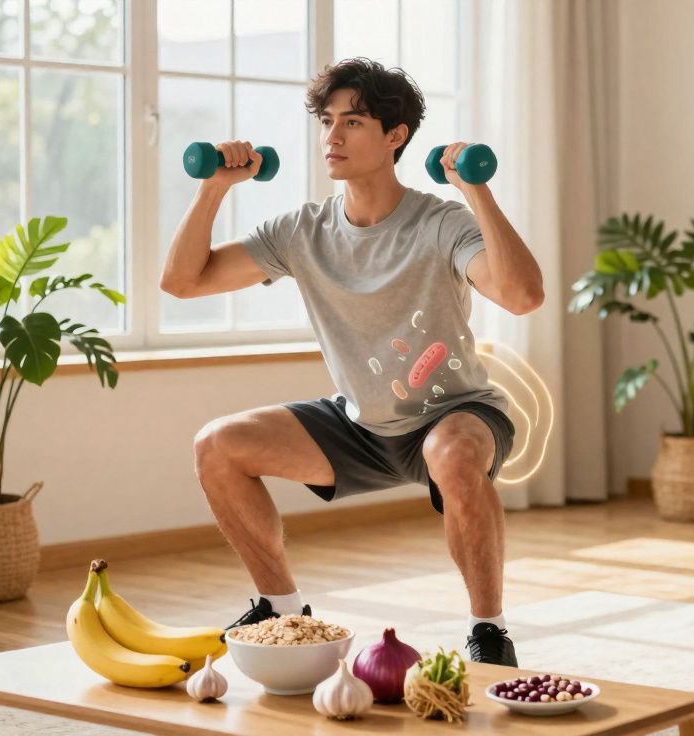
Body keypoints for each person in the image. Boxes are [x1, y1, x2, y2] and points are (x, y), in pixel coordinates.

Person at [161, 58, 543, 667]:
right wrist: (214, 189)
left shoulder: (440, 222)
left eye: (354, 122)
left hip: (453, 413)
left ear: (396, 136)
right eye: (327, 121)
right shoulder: (302, 231)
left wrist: (476, 190)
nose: (332, 137)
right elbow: (183, 282)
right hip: (360, 423)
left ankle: (488, 629)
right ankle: (280, 607)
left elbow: (522, 296)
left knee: (453, 453)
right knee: (218, 445)